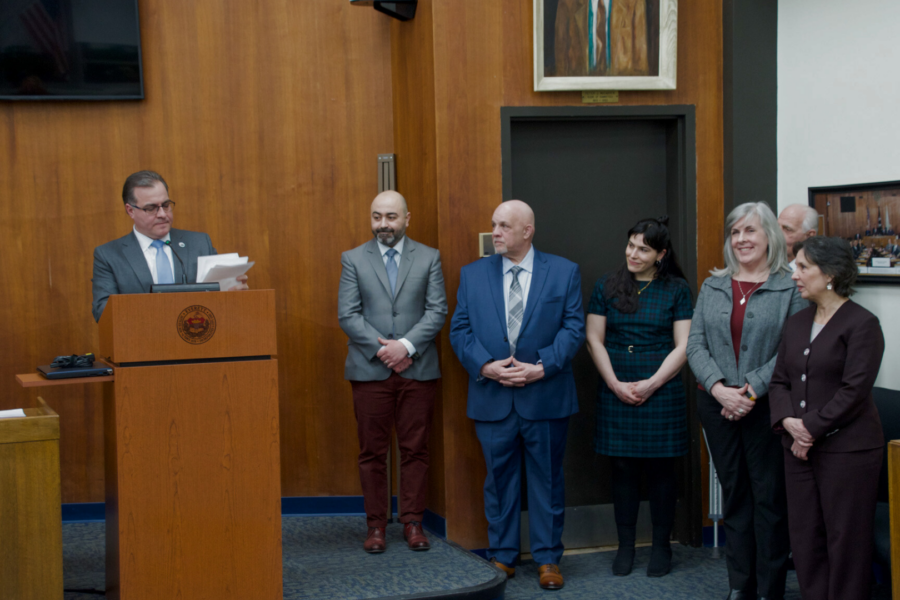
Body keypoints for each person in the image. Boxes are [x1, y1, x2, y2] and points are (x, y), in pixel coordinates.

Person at [449, 200, 585, 591]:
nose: (495, 232)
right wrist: (485, 366)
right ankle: (503, 556)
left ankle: (547, 559)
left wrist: (542, 366)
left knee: (547, 480)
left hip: (545, 395)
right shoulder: (472, 275)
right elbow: (459, 330)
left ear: (528, 231)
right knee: (499, 480)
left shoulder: (563, 272)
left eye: (504, 226)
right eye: (494, 224)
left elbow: (573, 328)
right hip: (493, 396)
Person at [686, 202, 806, 600]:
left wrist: (750, 390)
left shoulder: (791, 286)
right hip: (716, 405)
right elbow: (695, 344)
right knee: (735, 495)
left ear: (769, 235)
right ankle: (741, 585)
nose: (741, 240)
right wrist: (719, 387)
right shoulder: (713, 285)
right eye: (735, 233)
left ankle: (770, 588)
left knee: (769, 499)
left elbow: (793, 351)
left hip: (767, 408)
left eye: (750, 231)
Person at [769, 236, 885, 600]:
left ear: (831, 274)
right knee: (805, 537)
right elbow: (778, 382)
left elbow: (854, 391)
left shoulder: (863, 324)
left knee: (846, 540)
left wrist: (809, 431)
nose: (794, 275)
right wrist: (790, 424)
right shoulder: (797, 322)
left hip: (849, 452)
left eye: (803, 267)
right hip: (797, 450)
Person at [337, 190, 447, 554]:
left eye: (391, 217)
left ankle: (413, 522)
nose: (383, 224)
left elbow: (437, 311)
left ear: (406, 218)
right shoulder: (353, 258)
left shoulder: (430, 257)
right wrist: (386, 351)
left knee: (415, 448)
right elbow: (348, 315)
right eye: (377, 217)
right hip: (370, 370)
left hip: (419, 369)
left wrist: (407, 347)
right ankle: (376, 526)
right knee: (372, 452)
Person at [585, 217, 693, 578]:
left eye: (643, 248)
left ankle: (661, 547)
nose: (633, 253)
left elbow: (684, 346)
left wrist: (651, 384)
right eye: (631, 245)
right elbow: (594, 339)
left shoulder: (676, 289)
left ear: (660, 254)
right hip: (616, 382)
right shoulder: (607, 285)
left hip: (661, 387)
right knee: (623, 470)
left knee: (663, 472)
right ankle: (626, 547)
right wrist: (615, 383)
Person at [91, 170, 248, 322]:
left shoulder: (199, 244)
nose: (162, 214)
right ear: (130, 210)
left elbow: (220, 302)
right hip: (141, 344)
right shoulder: (109, 255)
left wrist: (232, 293)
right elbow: (103, 311)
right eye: (151, 208)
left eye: (165, 205)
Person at [777, 203, 818, 268]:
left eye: (787, 229)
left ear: (810, 236)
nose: (777, 234)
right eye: (777, 227)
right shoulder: (765, 267)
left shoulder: (818, 272)